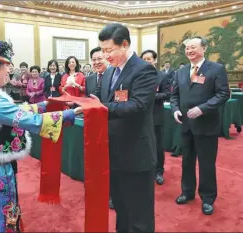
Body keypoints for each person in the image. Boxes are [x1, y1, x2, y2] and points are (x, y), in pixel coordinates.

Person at [0, 26, 82, 233]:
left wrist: (46, 104)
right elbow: (27, 119)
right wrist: (68, 115)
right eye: (6, 66)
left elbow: (18, 109)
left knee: (6, 216)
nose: (10, 70)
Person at [91, 23, 158, 232]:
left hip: (137, 154)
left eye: (109, 50)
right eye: (102, 50)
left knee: (139, 214)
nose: (105, 55)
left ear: (125, 44)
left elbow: (138, 105)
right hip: (114, 153)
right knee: (121, 209)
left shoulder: (144, 70)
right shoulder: (111, 72)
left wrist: (101, 107)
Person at [170, 37, 230, 215]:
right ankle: (187, 192)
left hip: (206, 124)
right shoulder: (181, 71)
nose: (189, 51)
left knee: (206, 164)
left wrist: (202, 109)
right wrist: (174, 110)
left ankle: (208, 198)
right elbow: (174, 95)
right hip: (186, 125)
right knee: (187, 161)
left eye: (193, 47)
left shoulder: (216, 69)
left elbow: (223, 94)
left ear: (204, 48)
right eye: (187, 48)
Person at [141, 49, 171, 185]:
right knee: (143, 144)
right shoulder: (138, 75)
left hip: (156, 115)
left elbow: (167, 94)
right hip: (140, 116)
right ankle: (145, 169)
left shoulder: (162, 76)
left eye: (149, 59)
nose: (147, 61)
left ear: (155, 60)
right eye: (144, 59)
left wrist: (152, 96)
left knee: (158, 145)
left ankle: (159, 171)